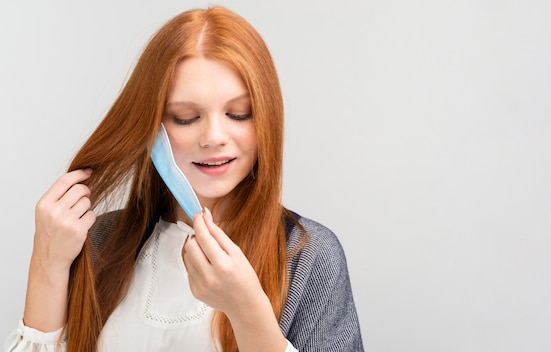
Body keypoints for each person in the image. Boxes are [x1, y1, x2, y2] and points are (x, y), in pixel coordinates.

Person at [4, 6, 363, 352]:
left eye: (239, 114)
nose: (214, 137)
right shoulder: (100, 241)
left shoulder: (308, 255)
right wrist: (46, 264)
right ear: (151, 128)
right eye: (186, 117)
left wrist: (247, 311)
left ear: (266, 120)